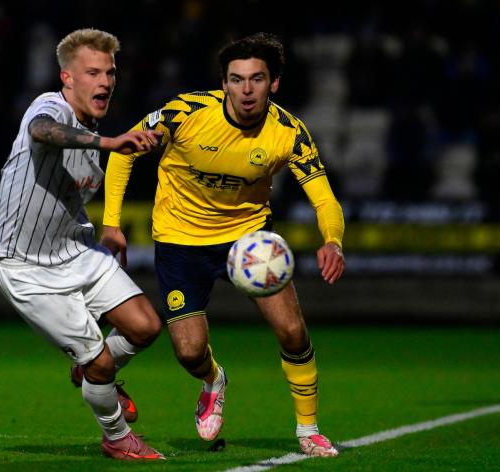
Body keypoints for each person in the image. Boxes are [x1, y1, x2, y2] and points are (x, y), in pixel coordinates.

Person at [102, 32, 345, 456]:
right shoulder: (186, 112)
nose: (246, 90)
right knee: (189, 352)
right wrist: (111, 222)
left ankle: (309, 429)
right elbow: (124, 152)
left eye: (256, 79)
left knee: (291, 330)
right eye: (236, 79)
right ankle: (213, 380)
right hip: (180, 240)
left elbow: (323, 196)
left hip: (249, 241)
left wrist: (333, 241)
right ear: (224, 82)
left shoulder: (288, 132)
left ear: (274, 84)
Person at [0, 28, 166, 460]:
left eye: (110, 72)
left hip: (74, 249)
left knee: (146, 326)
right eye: (92, 72)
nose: (105, 81)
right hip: (25, 267)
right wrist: (110, 143)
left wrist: (108, 227)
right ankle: (116, 437)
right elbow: (42, 132)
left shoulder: (91, 140)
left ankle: (88, 369)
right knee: (103, 366)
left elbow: (24, 181)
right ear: (67, 78)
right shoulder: (49, 108)